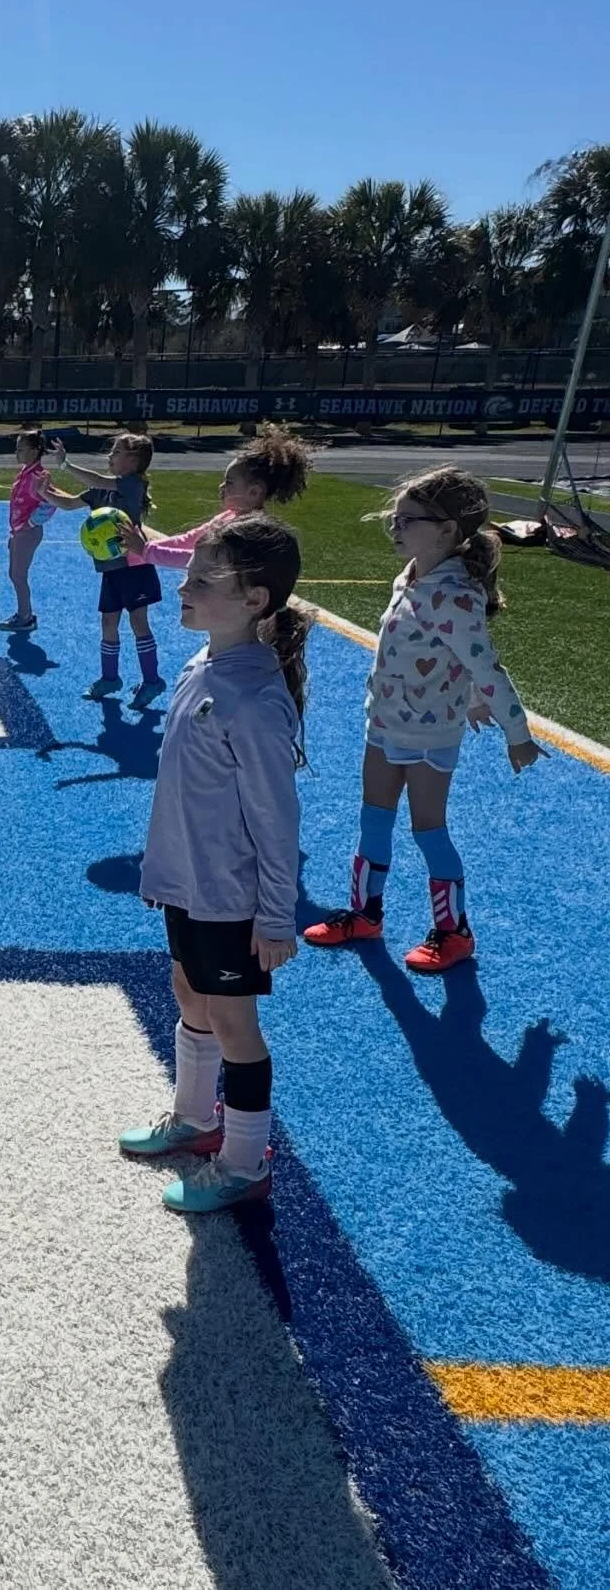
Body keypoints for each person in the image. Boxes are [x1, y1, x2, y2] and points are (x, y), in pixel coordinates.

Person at [118, 513, 312, 1212]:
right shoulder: (202, 666)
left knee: (235, 1025)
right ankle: (196, 1118)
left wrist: (276, 916)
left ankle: (244, 1161)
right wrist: (163, 870)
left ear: (255, 599)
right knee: (189, 993)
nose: (184, 588)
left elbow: (276, 821)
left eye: (203, 581)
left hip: (230, 893)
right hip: (188, 883)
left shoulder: (254, 699)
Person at [303, 466, 542, 975]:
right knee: (373, 818)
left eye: (407, 519)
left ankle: (454, 932)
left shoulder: (455, 596)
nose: (395, 526)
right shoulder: (411, 575)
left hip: (430, 735)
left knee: (428, 829)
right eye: (395, 517)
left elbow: (485, 666)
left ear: (447, 530)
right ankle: (365, 915)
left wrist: (517, 735)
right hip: (385, 723)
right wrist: (469, 698)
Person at [51, 432, 164, 705]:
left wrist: (66, 465)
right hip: (111, 569)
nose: (110, 456)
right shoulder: (101, 492)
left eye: (116, 452)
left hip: (135, 566)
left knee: (138, 623)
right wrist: (43, 491)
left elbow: (100, 480)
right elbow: (69, 503)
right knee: (108, 623)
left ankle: (152, 681)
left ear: (134, 460)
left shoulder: (133, 484)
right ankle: (110, 678)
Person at [119, 424, 315, 571]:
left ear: (254, 492)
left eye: (229, 482)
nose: (221, 487)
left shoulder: (248, 534)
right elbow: (189, 540)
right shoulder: (227, 517)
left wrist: (146, 551)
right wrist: (139, 550)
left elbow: (198, 559)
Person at [0, 428, 80, 631]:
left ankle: (25, 617)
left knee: (18, 575)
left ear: (35, 451)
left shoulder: (38, 476)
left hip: (27, 532)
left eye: (21, 449)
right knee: (14, 574)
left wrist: (30, 523)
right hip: (20, 531)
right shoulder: (26, 472)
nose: (17, 453)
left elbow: (50, 503)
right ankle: (24, 613)